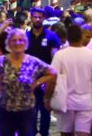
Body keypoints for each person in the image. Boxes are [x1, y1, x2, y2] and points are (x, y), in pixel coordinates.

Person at [0, 28, 57, 136]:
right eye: (14, 40)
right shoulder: (1, 61)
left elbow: (52, 73)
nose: (17, 43)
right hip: (6, 109)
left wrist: (36, 83)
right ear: (9, 43)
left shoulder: (32, 61)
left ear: (25, 42)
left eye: (20, 40)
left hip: (26, 110)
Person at [50, 24, 92, 136]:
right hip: (85, 102)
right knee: (83, 133)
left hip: (65, 102)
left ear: (67, 37)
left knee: (66, 133)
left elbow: (52, 78)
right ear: (80, 36)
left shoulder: (60, 55)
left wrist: (47, 97)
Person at [25, 8, 60, 136]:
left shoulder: (52, 36)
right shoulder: (25, 36)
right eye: (35, 17)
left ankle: (45, 133)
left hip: (46, 78)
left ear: (44, 18)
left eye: (40, 17)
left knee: (45, 109)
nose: (37, 19)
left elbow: (55, 58)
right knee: (31, 110)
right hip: (30, 79)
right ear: (31, 18)